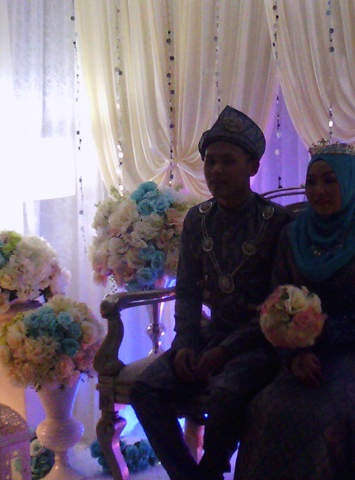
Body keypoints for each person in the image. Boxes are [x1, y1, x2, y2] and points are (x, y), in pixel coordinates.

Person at [129, 105, 294, 480]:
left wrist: (225, 350)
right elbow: (186, 291)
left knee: (226, 393)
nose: (216, 170)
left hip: (259, 342)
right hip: (208, 335)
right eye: (210, 161)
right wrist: (186, 343)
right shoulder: (197, 219)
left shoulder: (278, 222)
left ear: (252, 166)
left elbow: (277, 305)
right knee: (145, 390)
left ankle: (212, 469)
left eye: (227, 161)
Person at [234, 140, 355, 480]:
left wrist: (324, 330)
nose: (319, 190)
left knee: (325, 411)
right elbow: (277, 303)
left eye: (330, 180)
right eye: (312, 181)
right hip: (306, 350)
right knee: (266, 407)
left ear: (349, 182)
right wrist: (293, 355)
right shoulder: (293, 235)